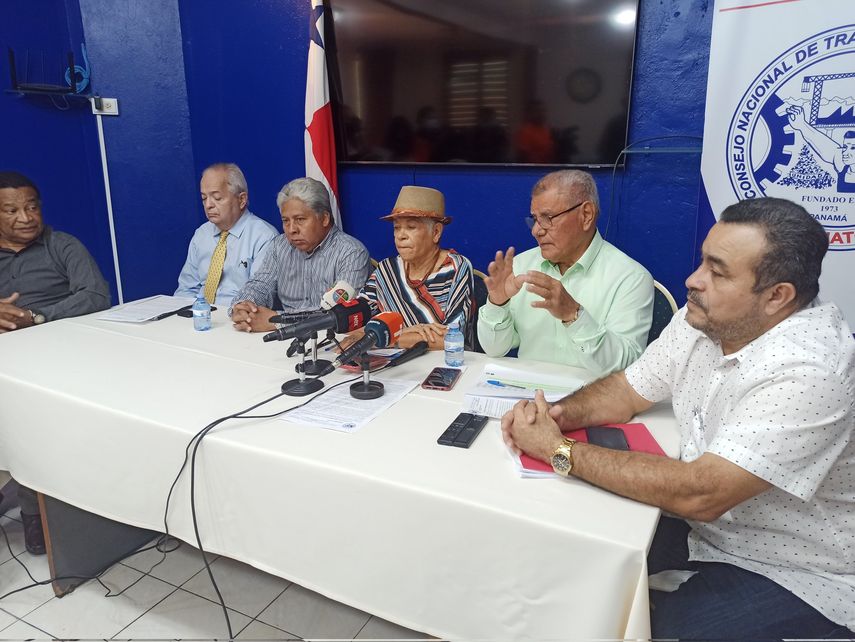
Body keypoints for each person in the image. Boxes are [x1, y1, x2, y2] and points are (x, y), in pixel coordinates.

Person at [502, 197, 855, 639]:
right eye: (702, 261)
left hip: (796, 566)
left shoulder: (810, 370)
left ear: (777, 297)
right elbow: (627, 391)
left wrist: (557, 450)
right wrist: (552, 414)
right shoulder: (703, 319)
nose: (693, 280)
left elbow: (701, 494)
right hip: (704, 532)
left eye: (717, 271)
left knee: (649, 631)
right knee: (566, 567)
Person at [0, 170, 111, 555]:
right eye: (12, 210)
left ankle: (35, 513)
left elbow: (96, 295)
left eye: (32, 207)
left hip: (58, 356)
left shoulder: (61, 246)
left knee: (29, 418)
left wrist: (36, 317)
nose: (25, 217)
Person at [477, 170, 653, 376]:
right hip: (527, 397)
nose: (536, 230)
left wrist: (574, 316)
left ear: (586, 215)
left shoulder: (631, 278)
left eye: (548, 217)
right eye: (534, 219)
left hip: (591, 401)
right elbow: (494, 349)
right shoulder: (520, 266)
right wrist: (498, 303)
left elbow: (625, 367)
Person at [231, 177, 371, 332]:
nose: (291, 229)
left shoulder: (352, 253)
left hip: (332, 341)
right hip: (280, 342)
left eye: (300, 219)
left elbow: (336, 314)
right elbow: (260, 285)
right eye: (285, 221)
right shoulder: (279, 246)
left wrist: (277, 320)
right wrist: (244, 306)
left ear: (324, 218)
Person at [344, 186, 474, 350]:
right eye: (397, 228)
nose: (401, 235)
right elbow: (356, 326)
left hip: (444, 366)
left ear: (436, 232)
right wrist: (410, 333)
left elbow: (452, 337)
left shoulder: (456, 268)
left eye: (411, 227)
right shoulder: (387, 270)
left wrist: (388, 338)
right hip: (394, 366)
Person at [175, 163, 278, 305]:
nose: (208, 205)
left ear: (241, 200)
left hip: (237, 317)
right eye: (204, 198)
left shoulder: (264, 237)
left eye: (217, 198)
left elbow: (259, 293)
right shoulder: (201, 234)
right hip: (199, 316)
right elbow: (186, 289)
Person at [786, 106, 855, 193]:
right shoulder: (842, 166)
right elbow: (823, 143)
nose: (845, 152)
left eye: (853, 148)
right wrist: (802, 125)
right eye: (844, 147)